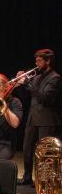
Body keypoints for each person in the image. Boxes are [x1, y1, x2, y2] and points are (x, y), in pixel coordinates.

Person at [18, 49, 62, 185]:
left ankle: (44, 180)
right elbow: (27, 98)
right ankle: (26, 177)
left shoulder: (55, 78)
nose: (36, 64)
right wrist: (20, 85)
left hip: (46, 120)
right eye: (36, 60)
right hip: (32, 118)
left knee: (44, 152)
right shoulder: (36, 77)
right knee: (27, 149)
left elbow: (45, 98)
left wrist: (28, 84)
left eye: (40, 61)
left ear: (48, 61)